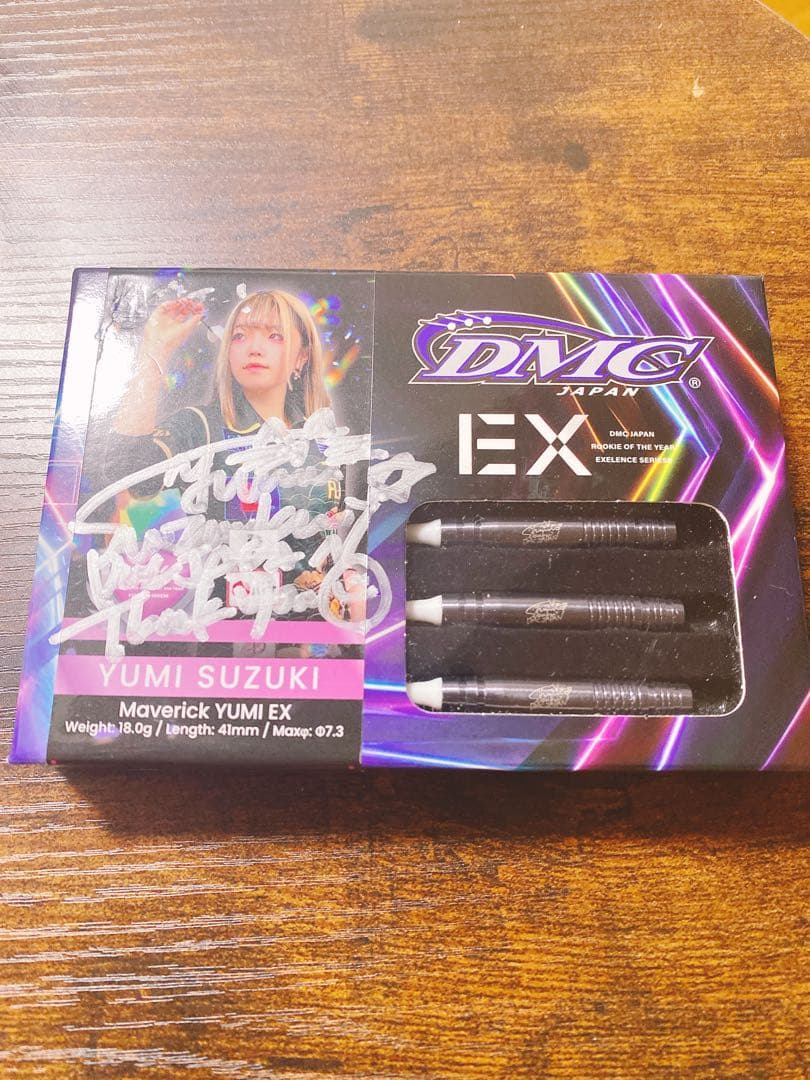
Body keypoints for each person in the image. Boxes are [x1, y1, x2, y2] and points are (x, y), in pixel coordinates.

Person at [107, 289, 359, 624]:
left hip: (310, 631)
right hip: (219, 626)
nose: (254, 347)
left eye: (275, 336)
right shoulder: (200, 426)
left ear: (302, 357)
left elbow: (328, 548)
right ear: (228, 353)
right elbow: (129, 472)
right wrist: (155, 350)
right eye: (240, 336)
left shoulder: (324, 442)